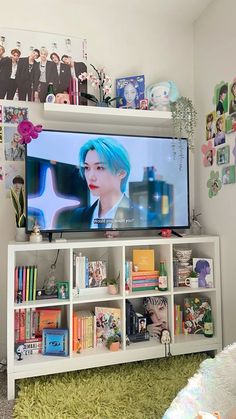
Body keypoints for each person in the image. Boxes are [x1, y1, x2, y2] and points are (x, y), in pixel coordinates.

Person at [56, 137, 147, 230]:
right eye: (87, 168)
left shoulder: (144, 217)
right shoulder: (77, 217)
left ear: (121, 173)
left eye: (99, 168)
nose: (91, 176)